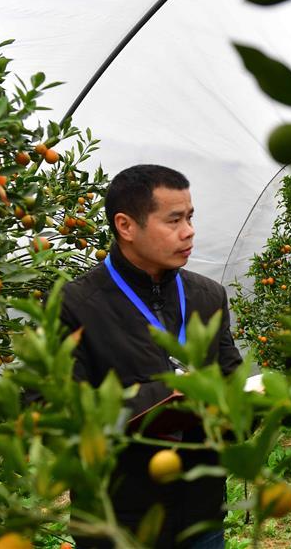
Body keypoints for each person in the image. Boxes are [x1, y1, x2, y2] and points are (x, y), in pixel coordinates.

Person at [61, 165, 241, 548]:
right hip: (119, 522)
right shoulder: (76, 305)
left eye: (190, 217)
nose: (189, 231)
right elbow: (58, 412)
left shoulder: (207, 296)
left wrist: (247, 407)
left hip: (202, 514)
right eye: (174, 220)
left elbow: (231, 375)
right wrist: (164, 397)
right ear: (126, 226)